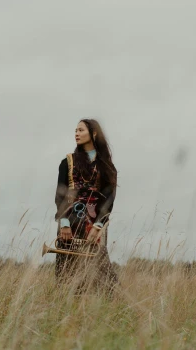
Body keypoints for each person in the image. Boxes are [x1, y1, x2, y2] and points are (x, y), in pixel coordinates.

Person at [53, 118, 119, 293]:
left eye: (81, 130)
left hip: (94, 225)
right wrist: (64, 224)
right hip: (70, 223)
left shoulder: (106, 166)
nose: (76, 133)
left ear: (94, 133)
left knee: (104, 277)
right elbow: (60, 196)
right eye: (75, 130)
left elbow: (109, 199)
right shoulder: (67, 162)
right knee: (66, 274)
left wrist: (98, 225)